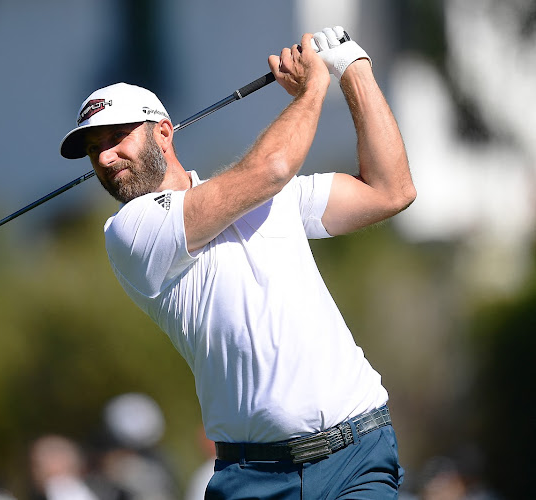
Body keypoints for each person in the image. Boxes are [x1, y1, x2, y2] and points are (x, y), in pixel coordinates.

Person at [59, 26, 416, 499]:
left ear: (162, 132)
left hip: (357, 453)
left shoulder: (271, 198)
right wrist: (313, 88)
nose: (105, 156)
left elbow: (391, 190)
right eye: (93, 148)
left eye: (116, 137)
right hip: (255, 478)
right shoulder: (130, 232)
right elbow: (269, 169)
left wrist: (352, 66)